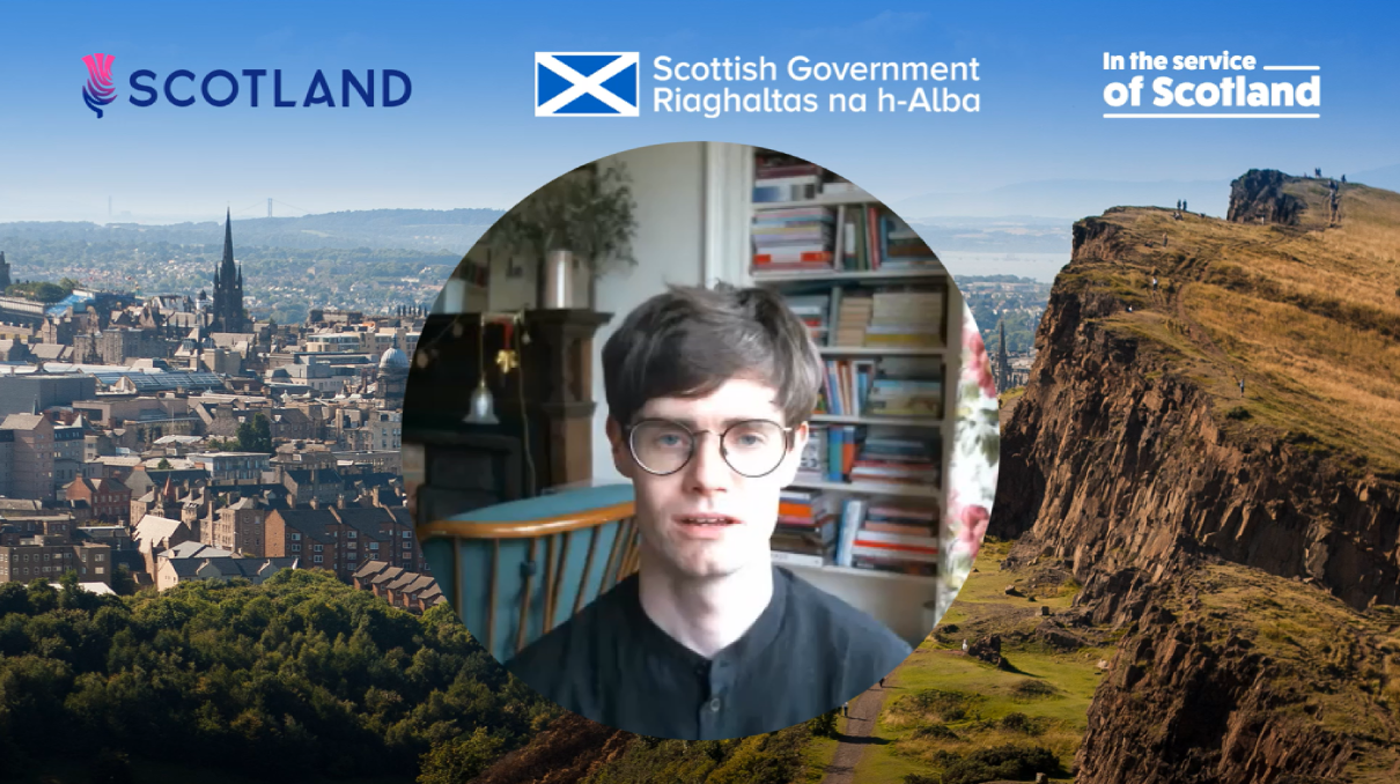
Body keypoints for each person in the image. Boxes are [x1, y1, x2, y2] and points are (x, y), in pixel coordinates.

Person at [507, 284, 913, 740]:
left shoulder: (885, 675)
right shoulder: (532, 693)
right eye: (669, 436)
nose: (707, 477)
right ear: (619, 444)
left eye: (748, 437)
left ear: (794, 450)